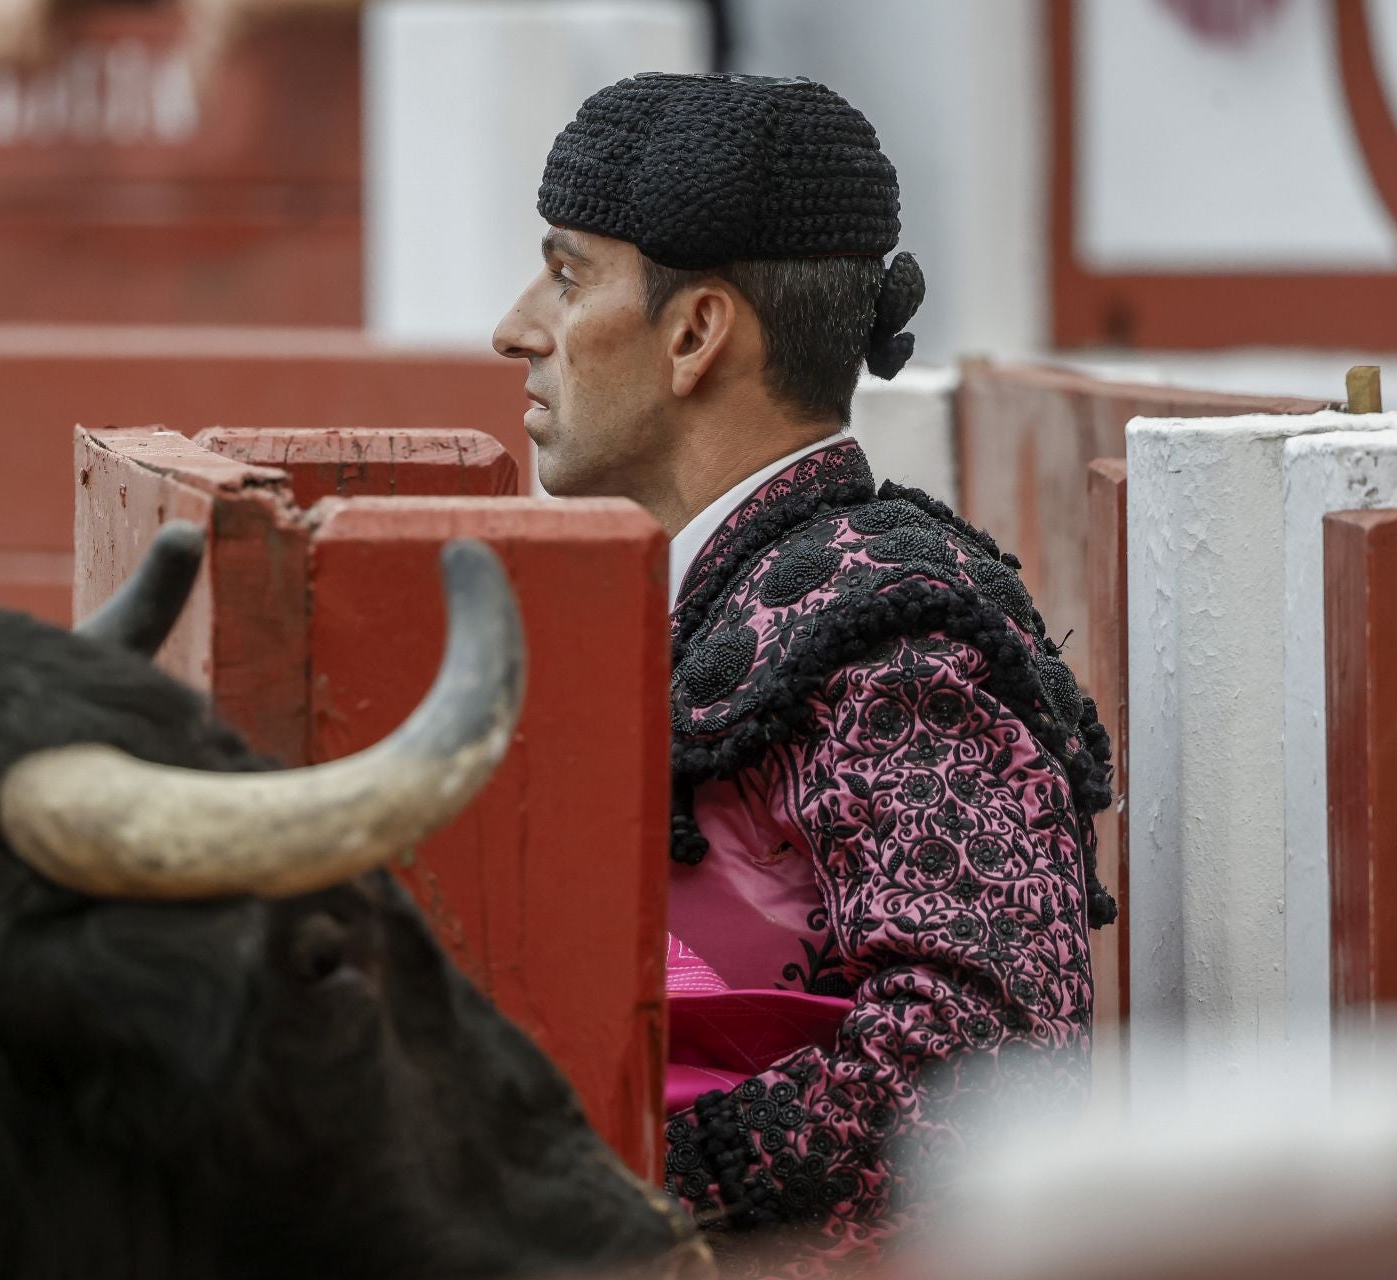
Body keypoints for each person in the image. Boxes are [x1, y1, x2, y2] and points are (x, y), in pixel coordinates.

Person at [492, 72, 1117, 1271]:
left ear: (694, 334)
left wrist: (627, 1183)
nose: (518, 325)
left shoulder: (890, 635)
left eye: (568, 274)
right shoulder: (734, 584)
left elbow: (983, 1061)